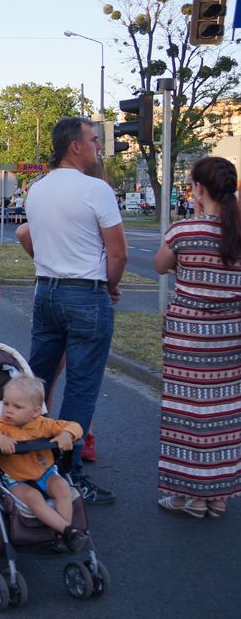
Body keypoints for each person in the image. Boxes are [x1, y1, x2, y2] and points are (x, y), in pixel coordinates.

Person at [24, 117, 126, 506]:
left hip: (45, 292)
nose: (99, 145)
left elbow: (30, 237)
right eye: (93, 139)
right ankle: (69, 473)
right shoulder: (95, 189)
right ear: (75, 146)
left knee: (38, 381)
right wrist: (110, 286)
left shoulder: (37, 189)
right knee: (81, 388)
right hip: (86, 293)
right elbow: (117, 252)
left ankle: (26, 461)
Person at [153, 156, 241, 518]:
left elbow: (160, 265)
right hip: (229, 337)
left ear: (199, 189)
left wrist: (183, 264)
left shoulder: (184, 231)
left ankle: (186, 494)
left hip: (187, 339)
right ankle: (217, 495)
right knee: (224, 412)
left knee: (186, 414)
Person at [0, 376, 89, 552]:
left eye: (17, 406)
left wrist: (67, 434)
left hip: (46, 474)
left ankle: (61, 537)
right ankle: (68, 531)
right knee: (34, 498)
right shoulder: (1, 427)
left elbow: (75, 426)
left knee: (62, 487)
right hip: (17, 480)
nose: (9, 410)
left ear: (35, 411)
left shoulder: (44, 424)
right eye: (6, 404)